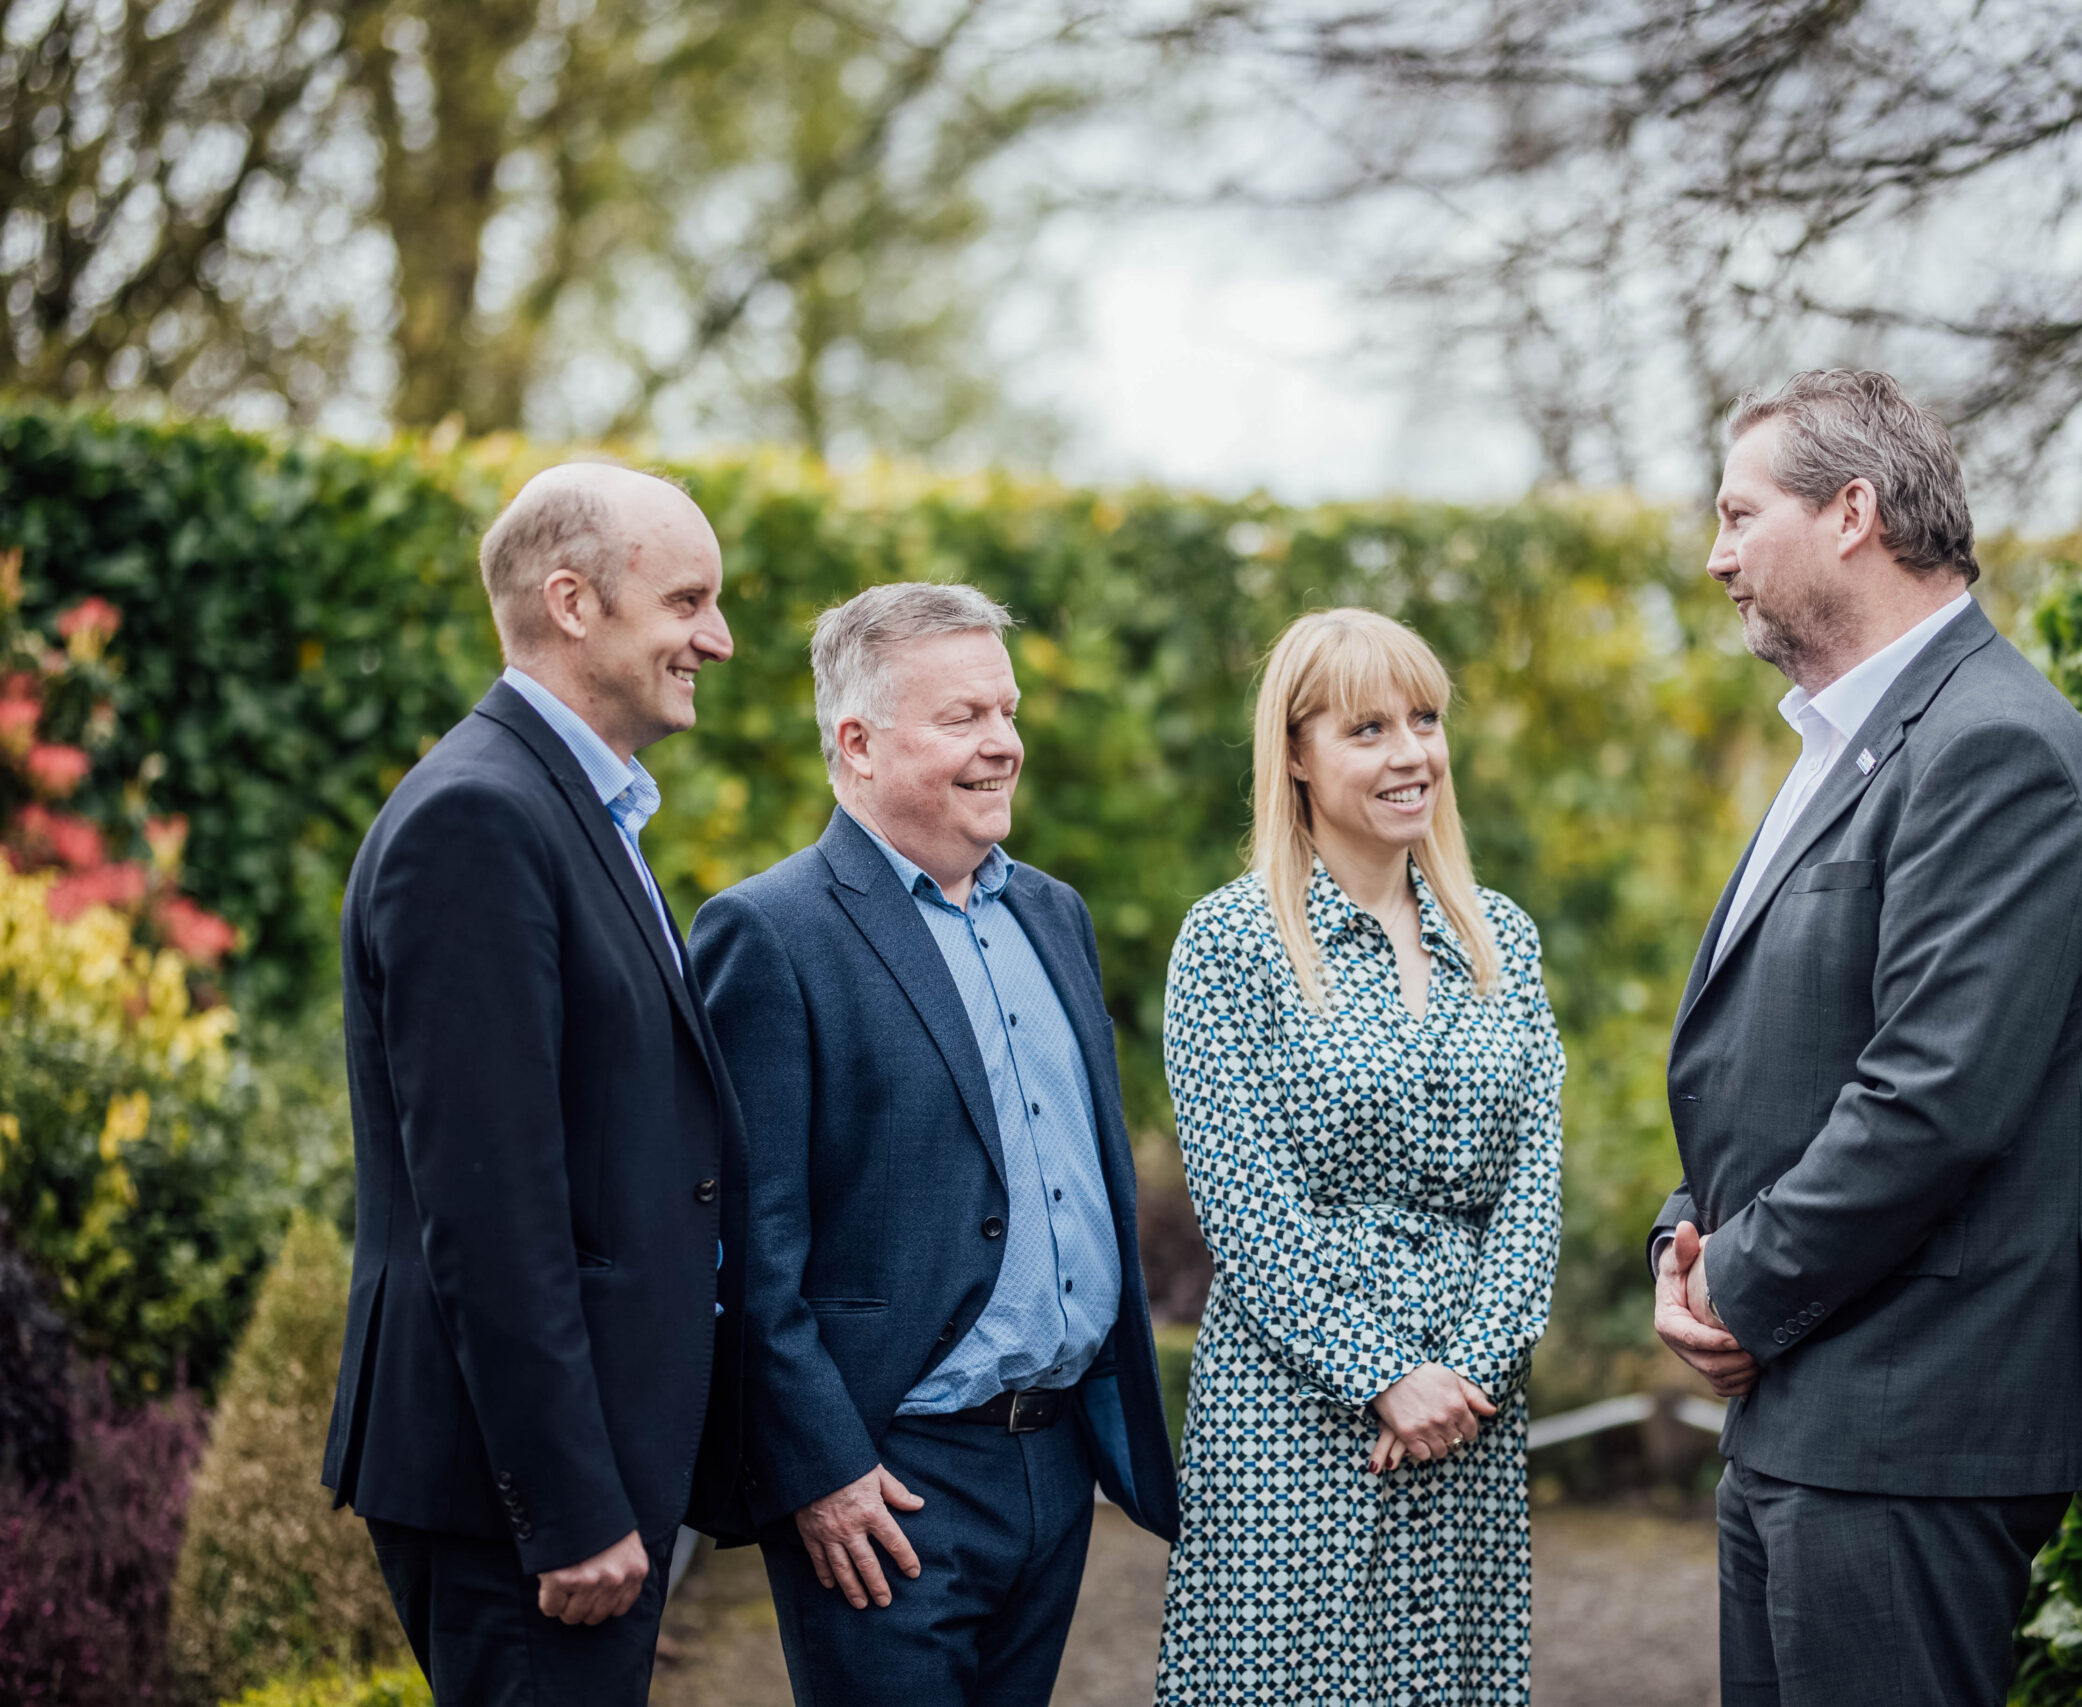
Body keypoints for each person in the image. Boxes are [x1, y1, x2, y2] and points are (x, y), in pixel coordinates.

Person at [1648, 370, 2082, 1705]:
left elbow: (1932, 1096)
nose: (1716, 556)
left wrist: (1739, 1287)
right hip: (1814, 1408)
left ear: (1852, 511)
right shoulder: (1852, 738)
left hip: (1917, 1414)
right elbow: (1776, 1061)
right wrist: (1685, 1238)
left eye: (1737, 514)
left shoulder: (1994, 744)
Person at [691, 581, 1178, 1707]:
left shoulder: (1052, 914)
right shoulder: (770, 932)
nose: (1002, 745)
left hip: (1054, 1467)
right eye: (962, 718)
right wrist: (822, 1473)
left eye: (1005, 713)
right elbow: (749, 1251)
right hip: (887, 1483)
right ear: (856, 744)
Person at [323, 464, 752, 1706]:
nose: (715, 640)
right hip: (520, 1497)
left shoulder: (574, 804)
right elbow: (489, 1203)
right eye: (686, 601)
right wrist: (565, 1506)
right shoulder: (481, 817)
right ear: (573, 603)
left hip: (587, 1469)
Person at [1153, 607, 1565, 1707]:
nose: (1410, 753)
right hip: (1298, 1409)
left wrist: (1469, 1369)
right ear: (1293, 752)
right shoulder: (1230, 944)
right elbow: (1246, 1208)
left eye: (1423, 720)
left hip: (1469, 1409)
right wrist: (1381, 1374)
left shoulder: (1499, 937)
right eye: (1367, 728)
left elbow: (1534, 1181)